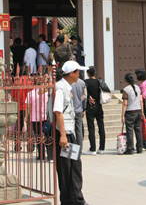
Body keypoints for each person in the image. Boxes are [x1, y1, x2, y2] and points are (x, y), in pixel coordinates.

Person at [54, 60, 89, 205]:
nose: (79, 75)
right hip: (65, 134)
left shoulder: (65, 86)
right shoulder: (61, 88)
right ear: (71, 73)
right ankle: (70, 200)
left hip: (69, 132)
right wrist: (62, 135)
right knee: (66, 169)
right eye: (78, 72)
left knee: (74, 165)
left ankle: (76, 198)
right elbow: (58, 112)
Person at [83, 66, 107, 155]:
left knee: (91, 127)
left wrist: (89, 96)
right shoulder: (99, 81)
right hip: (99, 105)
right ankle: (102, 148)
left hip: (90, 106)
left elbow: (84, 91)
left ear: (88, 73)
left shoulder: (86, 82)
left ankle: (92, 148)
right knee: (101, 126)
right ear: (95, 73)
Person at [25, 87, 52, 161]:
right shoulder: (47, 93)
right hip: (46, 118)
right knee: (47, 137)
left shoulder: (30, 93)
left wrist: (26, 117)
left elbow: (28, 106)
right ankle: (50, 155)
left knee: (38, 137)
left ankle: (41, 155)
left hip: (35, 118)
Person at [121, 73, 144, 154]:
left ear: (126, 80)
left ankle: (130, 148)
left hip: (130, 112)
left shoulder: (126, 90)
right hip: (138, 111)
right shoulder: (138, 88)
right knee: (138, 130)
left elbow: (125, 103)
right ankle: (140, 148)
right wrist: (142, 111)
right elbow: (141, 100)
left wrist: (123, 115)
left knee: (130, 130)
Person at [135, 68, 146, 150]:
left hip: (142, 106)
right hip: (142, 105)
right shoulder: (145, 83)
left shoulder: (142, 85)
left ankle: (145, 144)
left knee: (143, 125)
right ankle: (145, 143)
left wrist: (138, 97)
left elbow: (144, 95)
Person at [70, 77, 87, 148]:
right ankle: (79, 150)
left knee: (70, 131)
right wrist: (83, 108)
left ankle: (71, 150)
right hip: (79, 109)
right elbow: (85, 96)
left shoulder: (68, 82)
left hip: (69, 110)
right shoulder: (82, 83)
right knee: (79, 131)